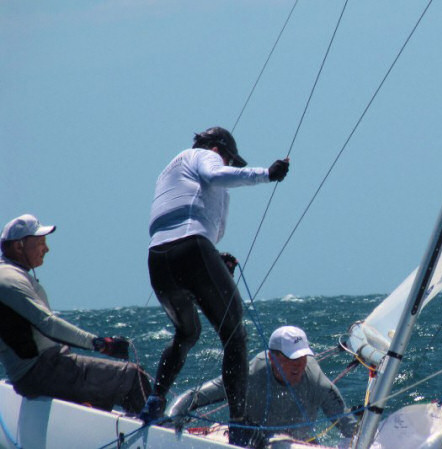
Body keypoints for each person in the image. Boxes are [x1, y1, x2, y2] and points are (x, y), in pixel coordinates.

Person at [141, 126, 290, 446]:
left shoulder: (171, 172)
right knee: (235, 334)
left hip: (158, 258)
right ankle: (239, 425)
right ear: (217, 147)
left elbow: (193, 223)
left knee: (187, 333)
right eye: (230, 161)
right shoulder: (201, 155)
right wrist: (267, 174)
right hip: (190, 250)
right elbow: (214, 177)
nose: (229, 167)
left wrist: (215, 258)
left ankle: (154, 401)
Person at [0, 214, 151, 414]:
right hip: (44, 370)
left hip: (41, 371)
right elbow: (49, 324)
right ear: (19, 246)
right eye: (41, 242)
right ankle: (158, 437)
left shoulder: (11, 274)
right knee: (133, 378)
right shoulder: (8, 279)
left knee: (107, 388)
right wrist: (100, 343)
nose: (46, 249)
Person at [167, 326, 357, 448]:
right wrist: (171, 418)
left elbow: (348, 427)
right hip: (251, 443)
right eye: (291, 358)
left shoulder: (317, 382)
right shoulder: (251, 374)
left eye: (303, 357)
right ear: (273, 357)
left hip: (300, 445)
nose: (299, 365)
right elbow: (196, 396)